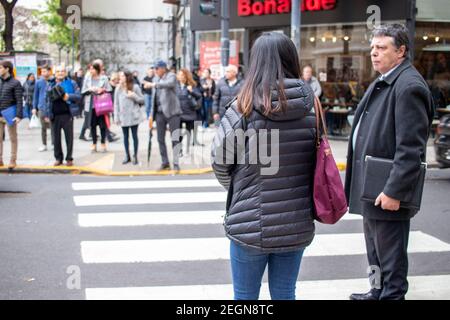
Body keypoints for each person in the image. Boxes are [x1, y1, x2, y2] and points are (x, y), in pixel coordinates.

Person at [211, 32, 317, 300]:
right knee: (284, 293)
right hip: (295, 222)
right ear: (291, 59)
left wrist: (241, 187)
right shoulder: (311, 106)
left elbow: (220, 162)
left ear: (256, 62)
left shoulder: (243, 107)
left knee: (245, 297)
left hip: (248, 224)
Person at [345, 24, 434, 300]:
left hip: (387, 189)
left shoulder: (408, 86)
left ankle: (391, 295)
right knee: (374, 250)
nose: (374, 53)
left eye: (381, 48)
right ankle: (376, 291)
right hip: (372, 187)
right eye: (372, 47)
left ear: (401, 51)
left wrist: (394, 191)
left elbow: (411, 148)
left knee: (391, 257)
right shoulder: (385, 79)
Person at [148, 60, 183, 172]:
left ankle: (176, 163)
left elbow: (169, 84)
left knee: (175, 139)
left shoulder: (171, 76)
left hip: (172, 112)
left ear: (163, 68)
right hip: (159, 113)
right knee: (160, 139)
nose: (155, 71)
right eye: (154, 69)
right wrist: (151, 115)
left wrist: (154, 84)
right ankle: (165, 162)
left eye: (156, 68)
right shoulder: (155, 79)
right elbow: (153, 98)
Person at [44, 65, 81, 166]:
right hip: (54, 115)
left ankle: (69, 158)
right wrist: (46, 114)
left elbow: (78, 97)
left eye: (62, 71)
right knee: (55, 138)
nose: (60, 73)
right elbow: (46, 99)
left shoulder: (71, 83)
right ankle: (58, 158)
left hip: (67, 114)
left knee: (69, 138)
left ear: (65, 73)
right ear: (55, 73)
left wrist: (69, 96)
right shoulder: (50, 84)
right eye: (58, 71)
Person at [114, 70, 144, 165]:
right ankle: (127, 156)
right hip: (123, 116)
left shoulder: (135, 87)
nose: (120, 78)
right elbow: (116, 104)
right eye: (120, 76)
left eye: (122, 76)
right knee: (125, 137)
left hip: (133, 116)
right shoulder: (118, 89)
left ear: (127, 77)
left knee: (134, 136)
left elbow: (142, 100)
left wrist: (134, 96)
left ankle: (135, 156)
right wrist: (116, 117)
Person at [81, 61, 112, 153]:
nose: (90, 70)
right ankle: (94, 143)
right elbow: (83, 91)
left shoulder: (104, 78)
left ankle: (103, 143)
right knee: (92, 125)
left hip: (102, 105)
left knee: (102, 126)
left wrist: (102, 90)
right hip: (91, 105)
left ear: (97, 69)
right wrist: (90, 89)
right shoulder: (87, 78)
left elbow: (110, 90)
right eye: (90, 68)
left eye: (92, 68)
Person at [0, 61, 23, 169]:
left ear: (7, 69)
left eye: (0, 68)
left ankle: (13, 160)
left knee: (13, 138)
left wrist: (18, 115)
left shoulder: (15, 83)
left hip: (10, 114)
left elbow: (19, 100)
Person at [176, 68, 202, 156]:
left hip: (189, 112)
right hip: (178, 112)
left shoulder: (192, 85)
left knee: (188, 131)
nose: (180, 77)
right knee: (178, 132)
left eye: (182, 75)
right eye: (179, 75)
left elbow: (199, 96)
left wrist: (192, 91)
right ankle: (179, 150)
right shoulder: (175, 86)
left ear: (186, 76)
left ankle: (187, 148)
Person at [33, 65, 54, 151]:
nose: (43, 73)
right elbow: (35, 95)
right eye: (42, 72)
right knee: (43, 127)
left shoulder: (53, 81)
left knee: (53, 126)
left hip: (52, 107)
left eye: (45, 71)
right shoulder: (38, 82)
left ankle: (53, 143)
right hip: (41, 107)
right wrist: (34, 107)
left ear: (49, 71)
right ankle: (44, 144)